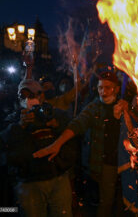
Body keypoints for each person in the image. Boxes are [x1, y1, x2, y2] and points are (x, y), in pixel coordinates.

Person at [33, 71, 132, 217]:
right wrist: (57, 144)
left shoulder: (122, 106)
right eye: (100, 88)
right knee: (106, 202)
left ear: (116, 89)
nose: (103, 92)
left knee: (123, 202)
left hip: (125, 163)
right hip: (105, 164)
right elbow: (78, 123)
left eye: (108, 87)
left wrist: (126, 113)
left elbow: (133, 133)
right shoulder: (94, 107)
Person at [0, 79, 76, 217]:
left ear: (42, 95)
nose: (31, 99)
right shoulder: (12, 118)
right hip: (29, 183)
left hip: (57, 178)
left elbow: (72, 131)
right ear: (19, 98)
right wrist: (20, 126)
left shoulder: (53, 113)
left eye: (35, 95)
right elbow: (5, 143)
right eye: (25, 96)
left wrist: (58, 125)